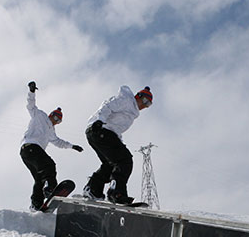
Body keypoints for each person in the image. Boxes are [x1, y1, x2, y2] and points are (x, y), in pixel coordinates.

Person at [83, 85, 153, 204]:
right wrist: (99, 120)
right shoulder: (127, 100)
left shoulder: (132, 112)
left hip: (100, 133)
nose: (144, 106)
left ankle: (93, 189)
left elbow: (116, 130)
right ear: (138, 96)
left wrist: (119, 142)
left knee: (110, 164)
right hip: (100, 130)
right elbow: (107, 107)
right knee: (124, 161)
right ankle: (116, 193)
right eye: (145, 101)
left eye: (148, 105)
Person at [20, 81, 83, 211]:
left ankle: (36, 203)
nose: (56, 122)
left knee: (39, 178)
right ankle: (50, 188)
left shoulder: (51, 131)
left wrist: (72, 146)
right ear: (51, 115)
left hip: (27, 154)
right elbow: (30, 106)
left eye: (59, 121)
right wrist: (31, 92)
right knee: (49, 165)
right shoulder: (40, 115)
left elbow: (58, 142)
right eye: (55, 118)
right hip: (31, 147)